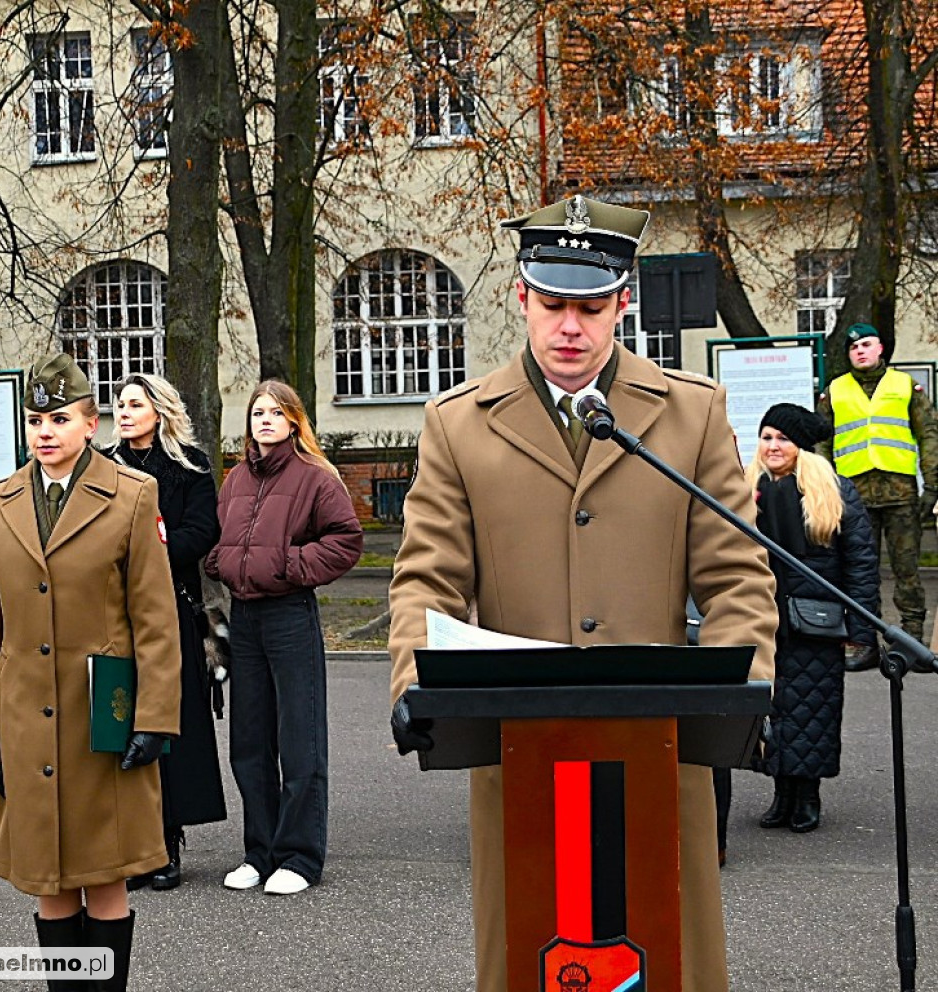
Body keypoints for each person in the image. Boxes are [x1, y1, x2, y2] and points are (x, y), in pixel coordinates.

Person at [388, 194, 777, 992]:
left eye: (592, 307)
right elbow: (428, 575)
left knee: (668, 962)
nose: (572, 326)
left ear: (623, 303)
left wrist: (745, 688)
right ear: (521, 298)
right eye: (555, 303)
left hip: (659, 750)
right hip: (522, 754)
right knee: (535, 960)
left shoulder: (690, 415)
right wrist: (411, 679)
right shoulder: (459, 424)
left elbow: (736, 573)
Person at [0, 354, 181, 992]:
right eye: (34, 421)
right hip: (24, 721)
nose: (45, 432)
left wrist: (156, 717)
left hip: (101, 719)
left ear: (91, 424)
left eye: (59, 419)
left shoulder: (132, 497)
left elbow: (156, 621)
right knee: (47, 882)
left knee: (106, 875)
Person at [205, 380, 362, 896]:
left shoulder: (316, 478)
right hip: (245, 617)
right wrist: (221, 563)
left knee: (300, 740)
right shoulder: (235, 480)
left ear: (294, 420)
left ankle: (298, 856)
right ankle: (259, 851)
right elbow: (217, 539)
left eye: (276, 412)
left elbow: (345, 542)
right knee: (249, 742)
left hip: (290, 614)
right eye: (257, 412)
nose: (265, 420)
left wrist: (288, 565)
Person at [105, 373, 226, 891]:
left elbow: (202, 531)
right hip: (108, 612)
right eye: (119, 405)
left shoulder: (190, 467)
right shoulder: (103, 467)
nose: (124, 412)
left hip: (170, 606)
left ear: (159, 409)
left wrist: (147, 557)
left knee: (166, 723)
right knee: (115, 722)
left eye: (135, 403)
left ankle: (166, 845)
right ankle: (129, 845)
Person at [748, 403, 879, 833]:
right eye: (767, 436)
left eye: (782, 438)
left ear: (800, 446)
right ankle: (781, 793)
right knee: (774, 709)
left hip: (817, 621)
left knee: (815, 709)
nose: (773, 446)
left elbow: (860, 560)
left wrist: (861, 630)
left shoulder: (834, 491)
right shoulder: (748, 488)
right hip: (766, 618)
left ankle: (808, 796)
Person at [816, 323, 938, 671]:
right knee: (860, 573)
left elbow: (928, 434)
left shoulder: (905, 386)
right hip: (854, 498)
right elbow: (821, 440)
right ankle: (864, 642)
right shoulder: (835, 391)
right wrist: (828, 483)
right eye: (854, 348)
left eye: (867, 345)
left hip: (900, 494)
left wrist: (931, 486)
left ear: (881, 348)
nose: (860, 351)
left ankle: (912, 642)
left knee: (907, 570)